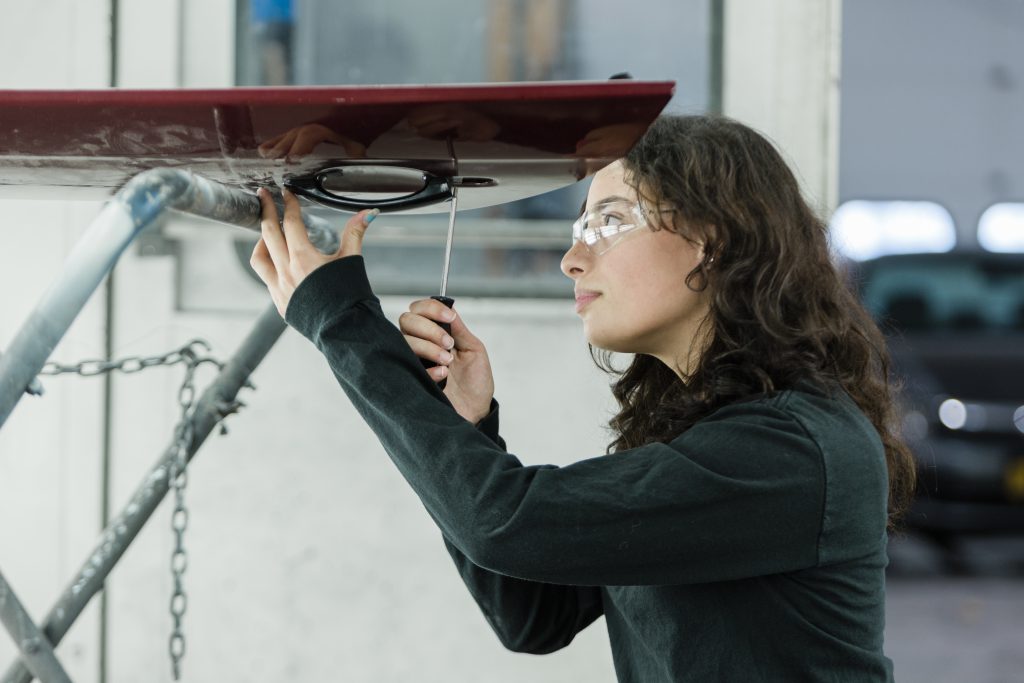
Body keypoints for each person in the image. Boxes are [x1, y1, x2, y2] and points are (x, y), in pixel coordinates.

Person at [249, 114, 914, 682]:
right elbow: (532, 614)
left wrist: (344, 324)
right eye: (580, 225)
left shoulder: (788, 450)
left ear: (713, 244)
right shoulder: (704, 432)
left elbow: (505, 524)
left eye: (609, 221)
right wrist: (469, 422)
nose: (572, 257)